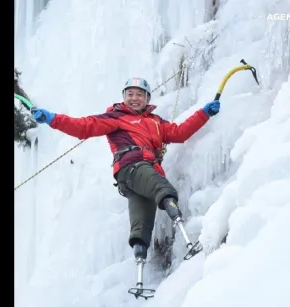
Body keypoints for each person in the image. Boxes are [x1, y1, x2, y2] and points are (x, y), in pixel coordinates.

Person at [31, 77, 220, 263]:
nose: (134, 98)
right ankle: (187, 237)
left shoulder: (156, 122)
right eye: (130, 94)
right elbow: (84, 126)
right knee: (163, 189)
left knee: (142, 222)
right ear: (124, 97)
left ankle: (140, 266)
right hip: (132, 166)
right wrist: (52, 118)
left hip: (140, 175)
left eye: (139, 94)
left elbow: (179, 133)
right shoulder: (115, 117)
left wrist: (204, 114)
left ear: (147, 99)